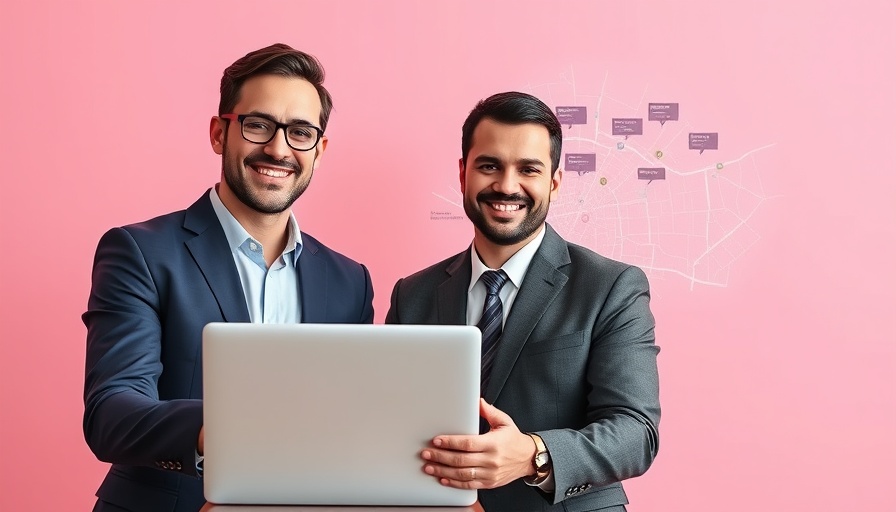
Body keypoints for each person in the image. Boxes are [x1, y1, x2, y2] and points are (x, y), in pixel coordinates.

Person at [83, 44, 374, 512]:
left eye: (300, 132)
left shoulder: (350, 281)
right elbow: (111, 414)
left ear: (319, 151)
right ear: (220, 133)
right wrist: (225, 429)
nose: (278, 148)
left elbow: (350, 423)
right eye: (258, 125)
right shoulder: (139, 251)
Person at [385, 92, 660, 512]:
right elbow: (390, 422)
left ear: (554, 181)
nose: (507, 186)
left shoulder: (612, 286)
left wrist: (533, 455)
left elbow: (635, 432)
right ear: (463, 174)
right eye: (489, 165)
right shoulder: (412, 295)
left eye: (528, 169)